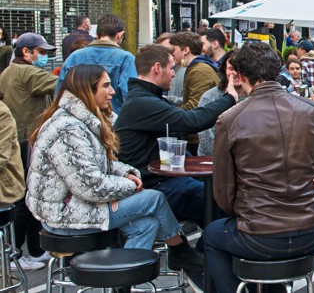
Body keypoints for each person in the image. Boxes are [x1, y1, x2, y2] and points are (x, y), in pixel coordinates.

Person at [26, 65, 203, 270]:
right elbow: (89, 185)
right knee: (154, 198)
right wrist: (129, 185)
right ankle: (180, 251)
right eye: (106, 85)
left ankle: (122, 284)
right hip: (63, 214)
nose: (112, 91)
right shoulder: (68, 127)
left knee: (148, 225)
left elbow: (102, 164)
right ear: (87, 90)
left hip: (75, 204)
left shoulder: (81, 120)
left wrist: (127, 173)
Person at [205, 43, 314, 292]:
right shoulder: (311, 110)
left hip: (260, 233)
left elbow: (223, 193)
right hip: (311, 230)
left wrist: (244, 212)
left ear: (240, 76)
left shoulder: (230, 119)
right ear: (277, 70)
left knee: (211, 235)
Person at [115, 44, 237, 226]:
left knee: (214, 202)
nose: (174, 74)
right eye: (171, 68)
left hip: (162, 178)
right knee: (223, 205)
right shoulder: (142, 102)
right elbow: (192, 120)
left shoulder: (145, 98)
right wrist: (229, 98)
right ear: (157, 68)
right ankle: (196, 252)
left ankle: (190, 250)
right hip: (154, 183)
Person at [0, 32, 58, 267]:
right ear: (26, 52)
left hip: (19, 141)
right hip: (28, 141)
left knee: (23, 197)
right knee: (29, 198)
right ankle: (24, 252)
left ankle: (24, 251)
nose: (44, 57)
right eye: (41, 52)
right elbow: (65, 84)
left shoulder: (7, 72)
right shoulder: (29, 72)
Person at [58, 14, 137, 113]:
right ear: (119, 35)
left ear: (96, 34)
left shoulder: (74, 57)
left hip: (77, 119)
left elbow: (60, 95)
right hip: (112, 119)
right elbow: (131, 97)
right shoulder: (126, 58)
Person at [197, 49, 248, 156]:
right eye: (231, 69)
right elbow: (205, 135)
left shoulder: (255, 98)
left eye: (240, 69)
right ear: (224, 70)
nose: (236, 73)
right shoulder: (209, 97)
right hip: (210, 162)